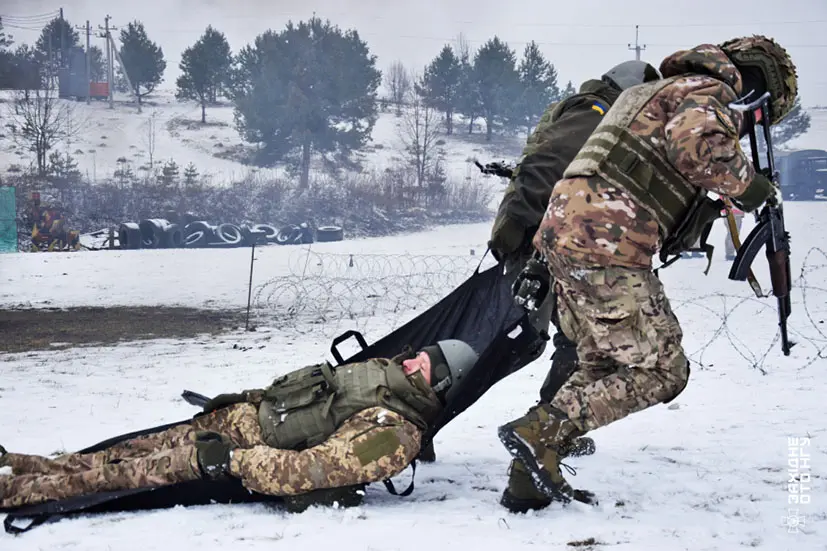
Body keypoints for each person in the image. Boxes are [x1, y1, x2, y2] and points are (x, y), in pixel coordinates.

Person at [497, 36, 798, 506]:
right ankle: (538, 434)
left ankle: (528, 477)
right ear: (757, 84)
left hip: (564, 236)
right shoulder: (706, 90)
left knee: (599, 363)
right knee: (664, 369)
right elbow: (696, 144)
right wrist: (752, 188)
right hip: (606, 240)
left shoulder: (649, 93)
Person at [0, 340, 478, 511]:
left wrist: (231, 460)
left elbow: (312, 471)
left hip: (234, 453)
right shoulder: (383, 373)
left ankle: (16, 493)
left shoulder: (393, 435)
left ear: (440, 388)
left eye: (427, 369)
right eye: (419, 356)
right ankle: (17, 467)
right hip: (237, 418)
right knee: (121, 452)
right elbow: (315, 391)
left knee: (116, 477)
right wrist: (247, 400)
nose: (414, 365)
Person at [487, 60, 661, 513]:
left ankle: (547, 439)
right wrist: (515, 235)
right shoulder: (597, 112)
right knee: (566, 343)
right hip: (543, 244)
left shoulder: (594, 110)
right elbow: (543, 168)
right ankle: (544, 438)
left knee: (573, 341)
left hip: (554, 242)